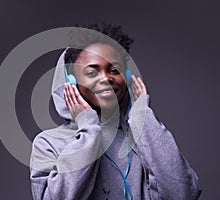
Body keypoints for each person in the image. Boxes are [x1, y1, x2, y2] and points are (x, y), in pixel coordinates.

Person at [29, 23, 201, 200]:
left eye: (114, 70)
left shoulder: (143, 138)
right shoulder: (48, 143)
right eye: (91, 72)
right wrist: (89, 128)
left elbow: (184, 194)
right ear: (70, 82)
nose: (106, 78)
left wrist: (143, 117)